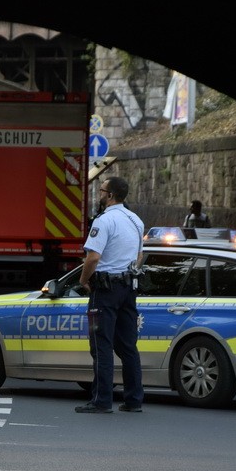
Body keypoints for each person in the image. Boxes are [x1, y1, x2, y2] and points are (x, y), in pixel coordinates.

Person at [76, 176, 145, 413]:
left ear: (111, 195)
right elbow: (139, 256)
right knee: (128, 346)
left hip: (104, 291)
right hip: (128, 288)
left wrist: (84, 280)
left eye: (102, 190)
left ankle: (101, 400)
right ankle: (134, 400)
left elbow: (93, 257)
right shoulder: (136, 221)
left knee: (101, 345)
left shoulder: (104, 221)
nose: (100, 193)